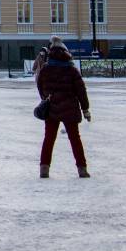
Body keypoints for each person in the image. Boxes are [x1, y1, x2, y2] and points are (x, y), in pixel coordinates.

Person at [36, 37, 91, 178]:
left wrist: (45, 98)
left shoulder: (46, 69)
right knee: (75, 139)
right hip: (70, 108)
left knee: (49, 138)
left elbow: (40, 86)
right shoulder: (72, 70)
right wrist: (85, 109)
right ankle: (82, 168)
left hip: (52, 108)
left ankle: (44, 168)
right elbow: (81, 90)